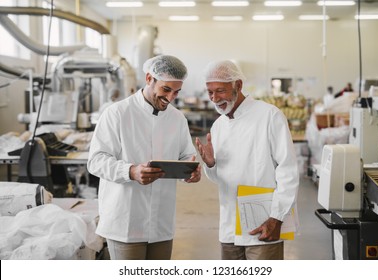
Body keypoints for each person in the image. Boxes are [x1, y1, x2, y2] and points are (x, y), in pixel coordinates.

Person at [87, 55, 201, 260]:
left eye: (176, 92)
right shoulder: (117, 113)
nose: (171, 97)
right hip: (125, 222)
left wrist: (190, 171)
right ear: (149, 78)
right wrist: (130, 171)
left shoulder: (177, 118)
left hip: (161, 222)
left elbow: (186, 155)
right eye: (166, 89)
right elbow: (96, 160)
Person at [195, 60, 299, 260]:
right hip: (229, 225)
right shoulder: (218, 126)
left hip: (264, 221)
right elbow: (221, 178)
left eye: (220, 91)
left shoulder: (269, 115)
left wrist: (277, 217)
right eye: (210, 92)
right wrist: (211, 164)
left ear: (238, 86)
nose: (215, 99)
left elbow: (288, 170)